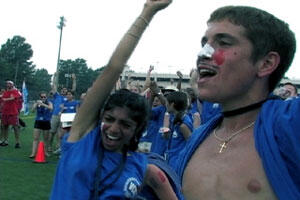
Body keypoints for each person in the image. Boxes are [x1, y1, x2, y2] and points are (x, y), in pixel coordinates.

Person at [50, 0, 179, 199]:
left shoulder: (140, 166)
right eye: (109, 119)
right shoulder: (83, 137)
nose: (113, 128)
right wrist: (148, 12)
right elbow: (114, 68)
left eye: (125, 124)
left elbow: (161, 184)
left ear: (138, 128)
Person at [173, 6, 299, 200]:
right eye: (205, 43)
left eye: (223, 43)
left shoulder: (290, 123)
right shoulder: (198, 139)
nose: (203, 53)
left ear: (266, 64)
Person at [29, 92, 53, 158]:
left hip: (46, 122)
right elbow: (32, 111)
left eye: (44, 97)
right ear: (40, 97)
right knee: (35, 138)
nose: (43, 98)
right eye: (41, 97)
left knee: (46, 139)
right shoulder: (37, 102)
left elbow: (51, 108)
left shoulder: (49, 102)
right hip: (38, 121)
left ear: (46, 97)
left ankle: (45, 152)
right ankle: (33, 153)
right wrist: (36, 105)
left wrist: (43, 104)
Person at [0, 80, 22, 148]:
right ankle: (5, 141)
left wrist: (5, 99)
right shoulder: (6, 92)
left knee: (15, 127)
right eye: (7, 83)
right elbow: (3, 99)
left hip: (13, 112)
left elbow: (13, 98)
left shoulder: (15, 91)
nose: (8, 84)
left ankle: (17, 142)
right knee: (4, 126)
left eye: (9, 83)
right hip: (5, 112)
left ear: (12, 85)